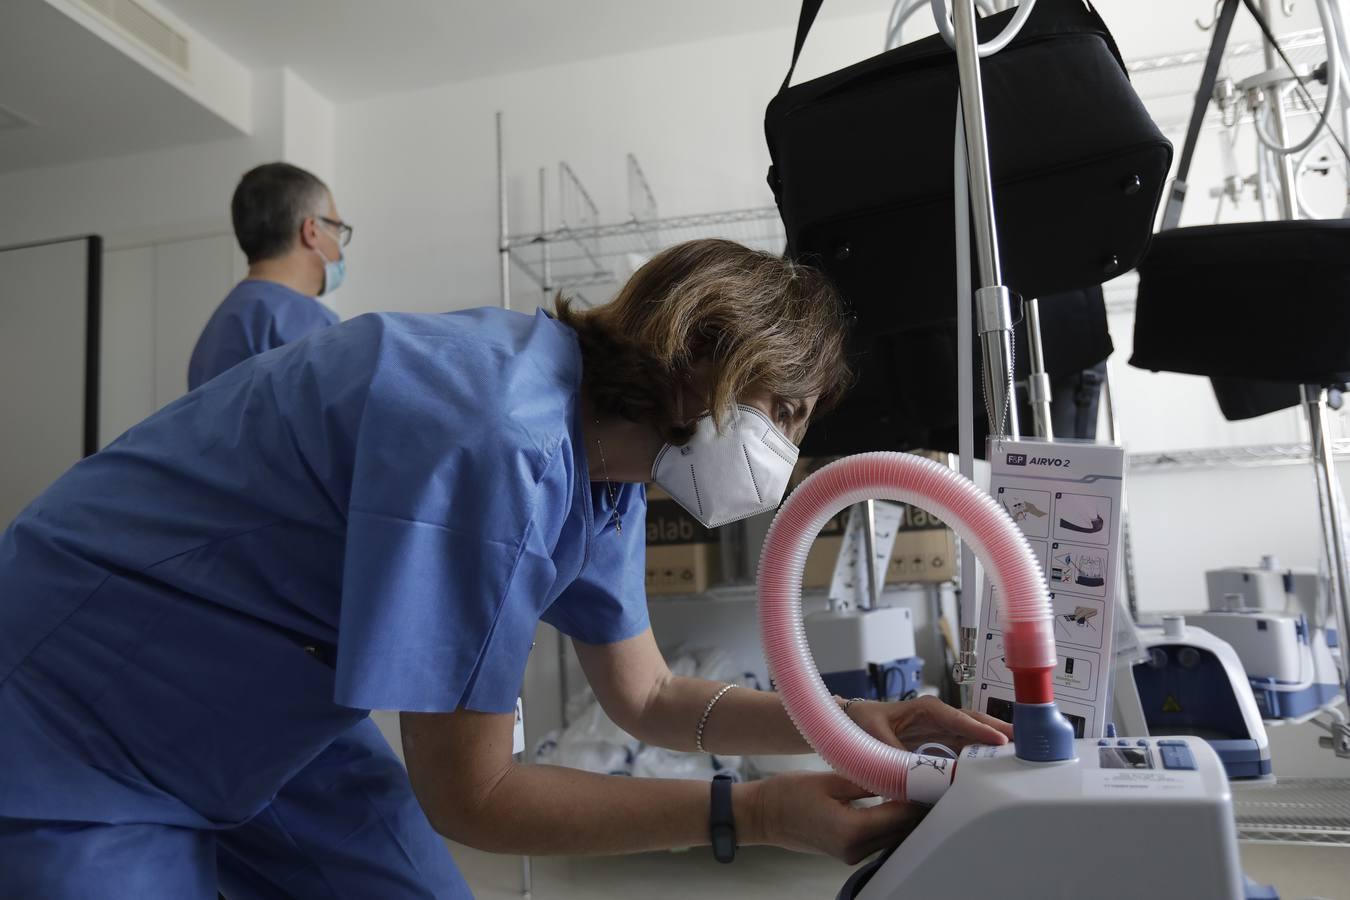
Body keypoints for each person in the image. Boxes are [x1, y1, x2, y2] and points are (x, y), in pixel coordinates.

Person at [0, 239, 1011, 899]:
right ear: (707, 361)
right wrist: (747, 813)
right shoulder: (498, 438)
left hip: (276, 727)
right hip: (85, 714)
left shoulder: (609, 466)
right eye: (787, 414)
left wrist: (838, 725)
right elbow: (472, 798)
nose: (785, 454)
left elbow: (649, 696)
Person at [188, 162, 349, 391]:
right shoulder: (310, 323)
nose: (340, 243)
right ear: (312, 231)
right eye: (338, 228)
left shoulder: (220, 326)